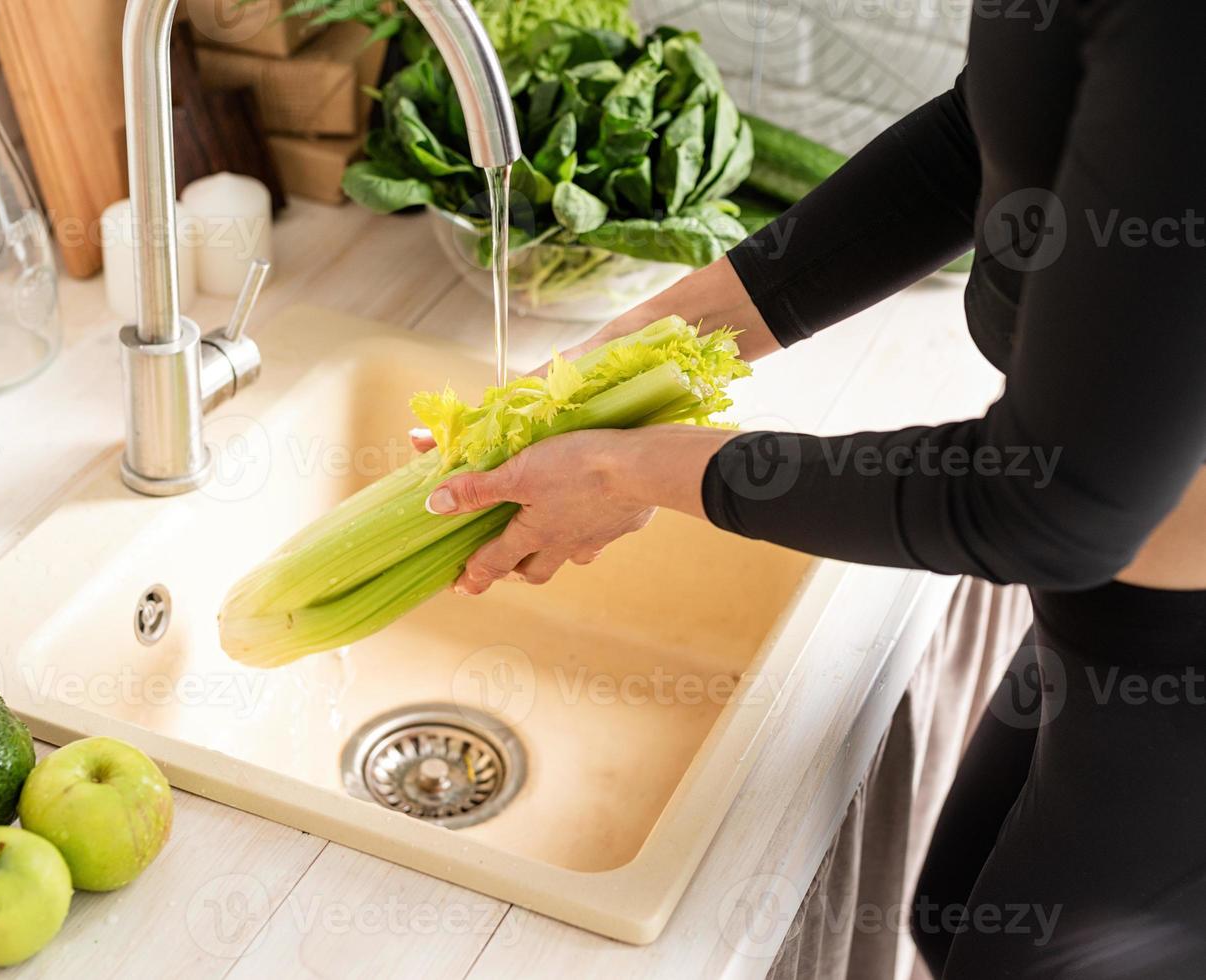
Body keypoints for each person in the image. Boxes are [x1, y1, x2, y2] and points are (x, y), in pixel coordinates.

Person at [418, 2, 1206, 976]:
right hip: (1111, 609)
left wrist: (630, 468)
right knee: (954, 909)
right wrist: (636, 348)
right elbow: (992, 128)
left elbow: (1050, 504)